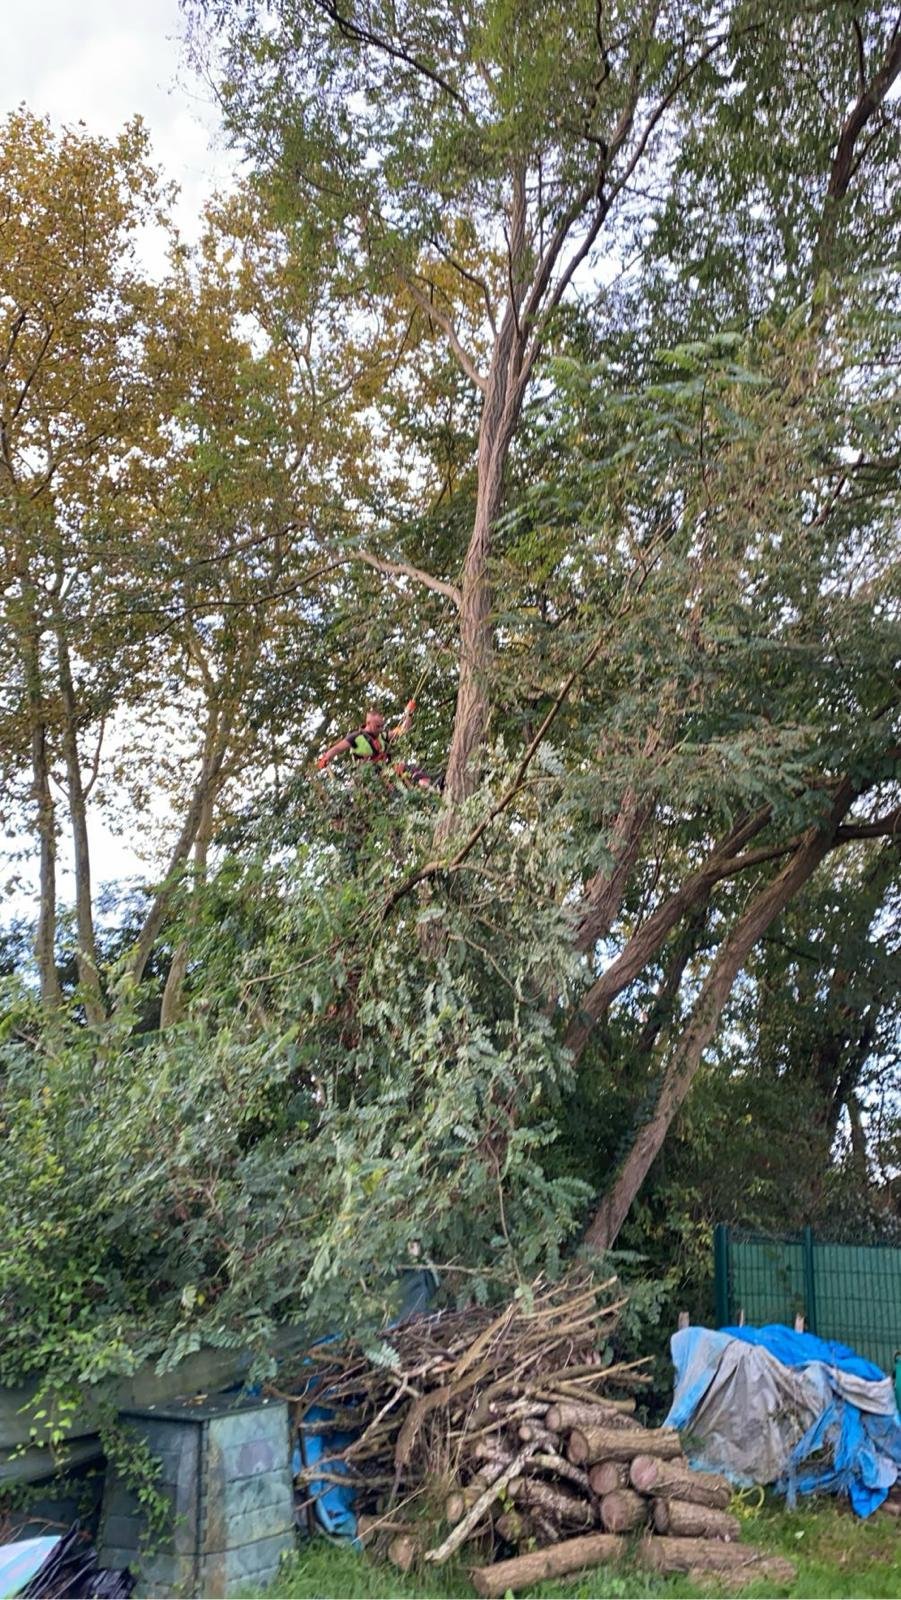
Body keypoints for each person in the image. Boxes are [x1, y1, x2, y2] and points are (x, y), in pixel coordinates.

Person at [316, 701, 416, 772]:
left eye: (382, 726)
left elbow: (403, 730)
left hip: (385, 771)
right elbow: (337, 748)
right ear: (368, 723)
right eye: (378, 726)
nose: (381, 728)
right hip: (367, 773)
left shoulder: (382, 735)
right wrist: (326, 758)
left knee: (411, 769)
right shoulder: (356, 737)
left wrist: (409, 715)